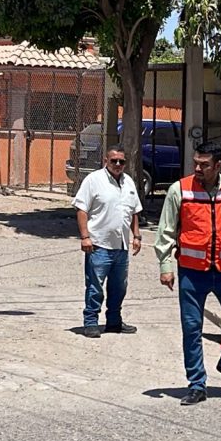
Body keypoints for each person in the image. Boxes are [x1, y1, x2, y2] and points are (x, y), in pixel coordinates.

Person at [154, 141, 221, 406]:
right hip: (191, 272)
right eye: (195, 163)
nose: (198, 168)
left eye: (204, 165)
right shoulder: (180, 190)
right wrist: (166, 266)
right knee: (191, 328)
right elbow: (165, 231)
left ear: (218, 165)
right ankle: (197, 384)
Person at [72, 144, 143, 339]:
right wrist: (85, 236)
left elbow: (134, 211)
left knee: (119, 288)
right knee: (95, 287)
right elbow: (81, 209)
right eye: (114, 161)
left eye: (122, 161)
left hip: (121, 246)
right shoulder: (93, 180)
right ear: (106, 161)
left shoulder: (128, 182)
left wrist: (136, 236)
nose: (118, 164)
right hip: (98, 245)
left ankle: (114, 321)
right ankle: (91, 322)